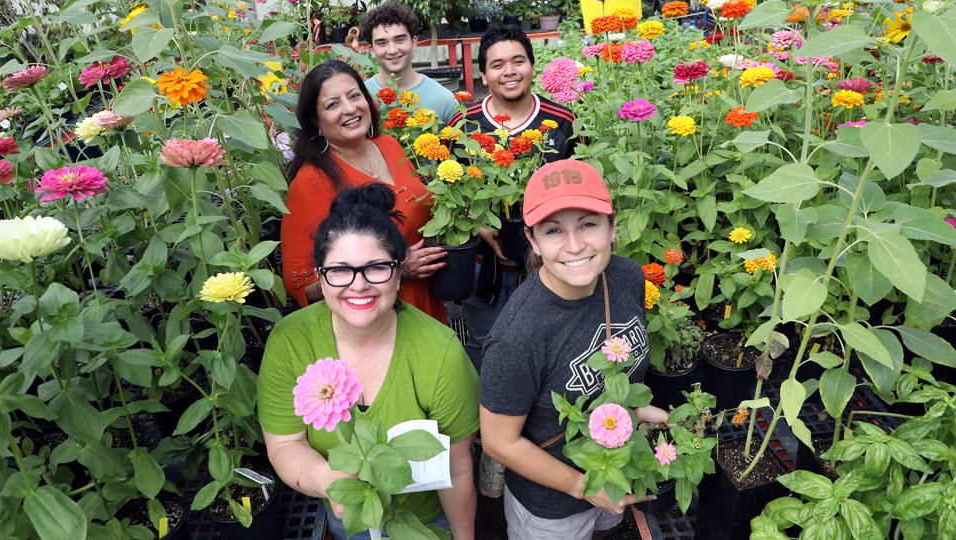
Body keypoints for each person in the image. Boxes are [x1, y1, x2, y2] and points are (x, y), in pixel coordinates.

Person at [259, 184, 480, 540]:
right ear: (320, 276)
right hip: (349, 516)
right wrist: (330, 481)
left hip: (421, 522)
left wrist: (464, 536)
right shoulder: (291, 341)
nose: (358, 285)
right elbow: (285, 443)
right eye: (340, 270)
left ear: (399, 272)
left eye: (376, 267)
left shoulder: (440, 351)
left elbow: (457, 464)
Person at [478, 160, 670, 540]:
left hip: (616, 469)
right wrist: (583, 488)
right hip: (552, 505)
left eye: (587, 223)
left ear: (612, 227)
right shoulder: (518, 338)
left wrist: (641, 411)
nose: (575, 245)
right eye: (554, 230)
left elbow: (619, 370)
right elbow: (500, 441)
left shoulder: (626, 276)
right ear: (532, 240)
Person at [446, 24, 581, 372]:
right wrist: (478, 226)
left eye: (518, 61)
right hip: (484, 267)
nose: (509, 71)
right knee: (484, 343)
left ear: (533, 67)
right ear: (483, 73)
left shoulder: (562, 122)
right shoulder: (464, 126)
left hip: (548, 265)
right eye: (497, 64)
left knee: (548, 346)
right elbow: (449, 191)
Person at [281, 59, 447, 323]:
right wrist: (396, 271)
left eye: (354, 95)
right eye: (332, 104)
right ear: (316, 123)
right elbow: (301, 284)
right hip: (373, 319)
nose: (349, 108)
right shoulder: (312, 180)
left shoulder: (389, 145)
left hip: (428, 302)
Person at [359, 3, 457, 124]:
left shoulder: (444, 100)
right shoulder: (361, 98)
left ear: (414, 42)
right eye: (382, 43)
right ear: (372, 50)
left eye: (399, 40)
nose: (392, 50)